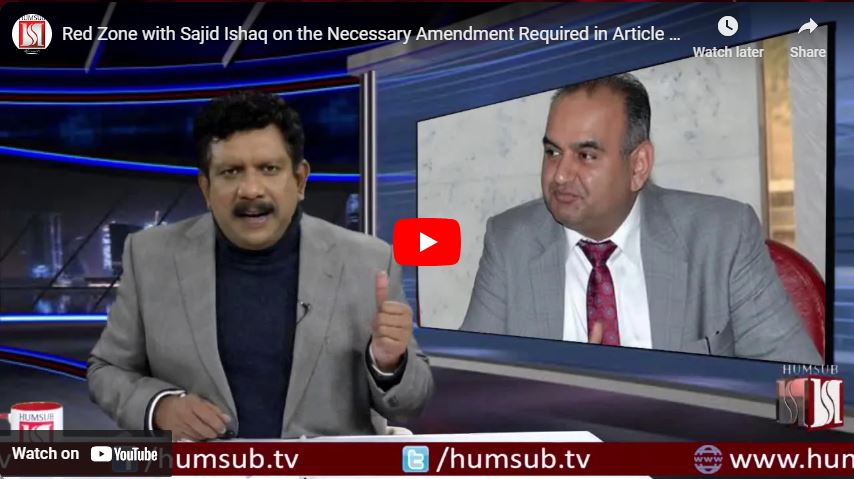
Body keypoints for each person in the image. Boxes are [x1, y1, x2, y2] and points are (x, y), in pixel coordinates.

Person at [88, 91, 433, 439]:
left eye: (269, 169)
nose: (251, 190)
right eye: (230, 172)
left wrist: (389, 364)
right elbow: (107, 369)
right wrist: (160, 407)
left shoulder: (368, 262)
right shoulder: (149, 256)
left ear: (299, 180)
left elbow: (411, 402)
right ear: (206, 187)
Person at [461, 73, 822, 364]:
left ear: (638, 166)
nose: (560, 174)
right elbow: (470, 390)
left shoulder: (722, 236)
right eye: (553, 152)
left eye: (586, 156)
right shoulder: (509, 242)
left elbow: (806, 392)